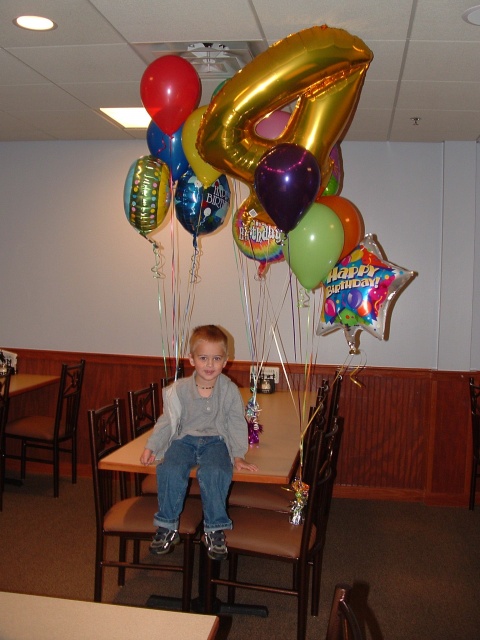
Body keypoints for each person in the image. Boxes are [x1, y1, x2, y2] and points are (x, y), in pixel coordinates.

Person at [140, 324, 258, 560]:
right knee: (170, 469)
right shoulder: (179, 390)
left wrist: (237, 455)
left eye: (216, 358)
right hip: (184, 441)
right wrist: (152, 446)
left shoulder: (229, 390)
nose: (210, 365)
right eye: (203, 358)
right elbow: (167, 421)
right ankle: (167, 524)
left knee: (215, 471)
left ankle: (214, 529)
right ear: (191, 359)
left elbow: (236, 423)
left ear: (226, 361)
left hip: (215, 442)